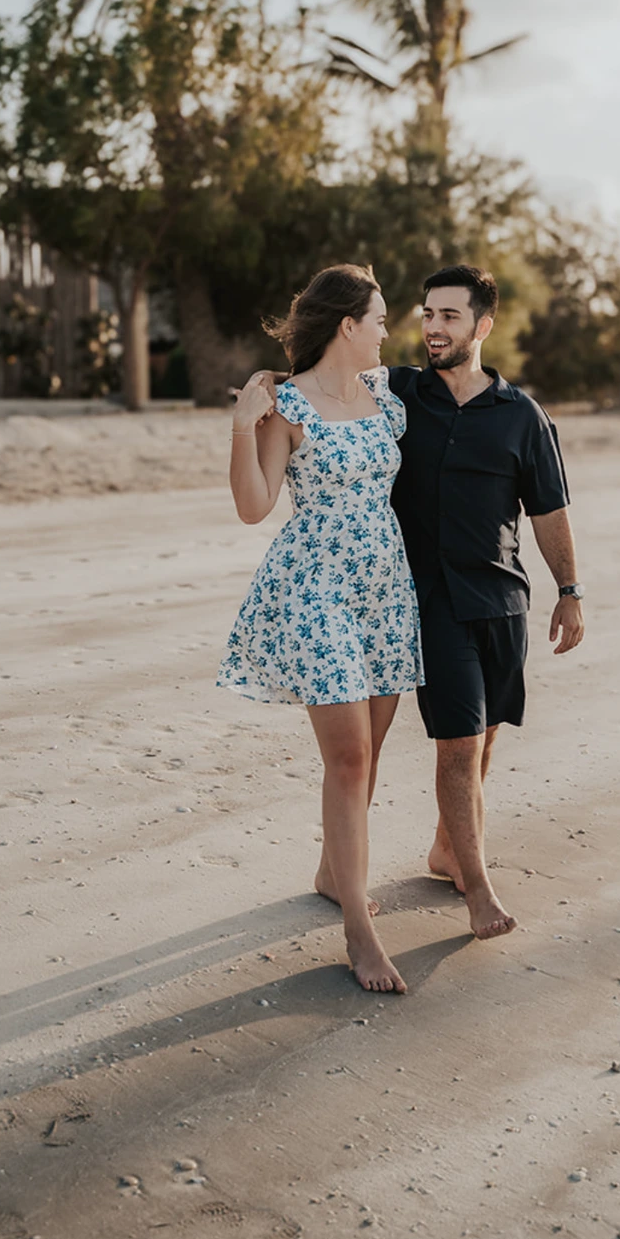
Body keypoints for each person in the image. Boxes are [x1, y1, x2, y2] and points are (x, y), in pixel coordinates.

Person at [219, 264, 423, 995]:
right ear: (347, 325)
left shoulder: (388, 398)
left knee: (367, 758)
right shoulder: (288, 406)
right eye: (380, 319)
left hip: (384, 589)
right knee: (348, 758)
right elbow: (254, 504)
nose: (387, 332)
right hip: (316, 591)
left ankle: (334, 874)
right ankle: (360, 936)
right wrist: (245, 426)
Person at [388, 264, 585, 939]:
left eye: (448, 316)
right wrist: (275, 385)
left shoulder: (521, 416)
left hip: (503, 600)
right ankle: (479, 889)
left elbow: (548, 510)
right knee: (457, 743)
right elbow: (328, 379)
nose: (433, 328)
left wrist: (569, 591)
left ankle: (447, 847)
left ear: (482, 325)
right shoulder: (397, 394)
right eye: (427, 314)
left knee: (486, 736)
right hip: (430, 597)